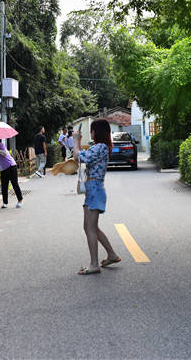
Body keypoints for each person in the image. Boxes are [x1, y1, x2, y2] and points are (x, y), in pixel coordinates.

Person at [73, 118, 121, 275]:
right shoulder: (101, 147)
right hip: (93, 189)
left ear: (97, 132)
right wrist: (78, 142)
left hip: (95, 190)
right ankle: (112, 254)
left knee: (90, 228)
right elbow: (81, 156)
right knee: (89, 227)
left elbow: (79, 157)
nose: (91, 133)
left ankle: (94, 264)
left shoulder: (100, 147)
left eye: (92, 130)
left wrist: (75, 141)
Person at [0, 134, 23, 209]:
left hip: (11, 166)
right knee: (4, 186)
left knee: (14, 184)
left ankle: (20, 200)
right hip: (3, 169)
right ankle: (5, 202)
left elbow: (5, 153)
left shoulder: (0, 145)